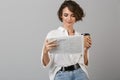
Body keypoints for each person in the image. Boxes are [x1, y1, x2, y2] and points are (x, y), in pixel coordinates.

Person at [41, 0, 92, 80]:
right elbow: (46, 64)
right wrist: (45, 51)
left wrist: (86, 49)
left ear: (76, 17)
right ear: (61, 16)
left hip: (79, 72)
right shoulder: (52, 35)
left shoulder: (80, 36)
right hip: (61, 74)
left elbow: (84, 63)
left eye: (72, 15)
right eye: (66, 15)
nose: (69, 19)